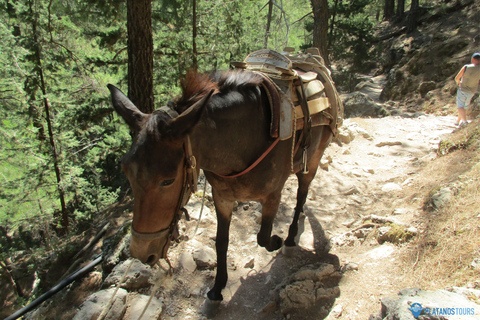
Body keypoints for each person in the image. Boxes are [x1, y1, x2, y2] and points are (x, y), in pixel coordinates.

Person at [454, 52, 480, 126]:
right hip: (472, 91)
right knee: (465, 106)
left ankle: (465, 122)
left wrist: (458, 82)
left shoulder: (466, 67)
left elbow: (457, 78)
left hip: (463, 89)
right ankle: (457, 121)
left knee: (460, 106)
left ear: (472, 59)